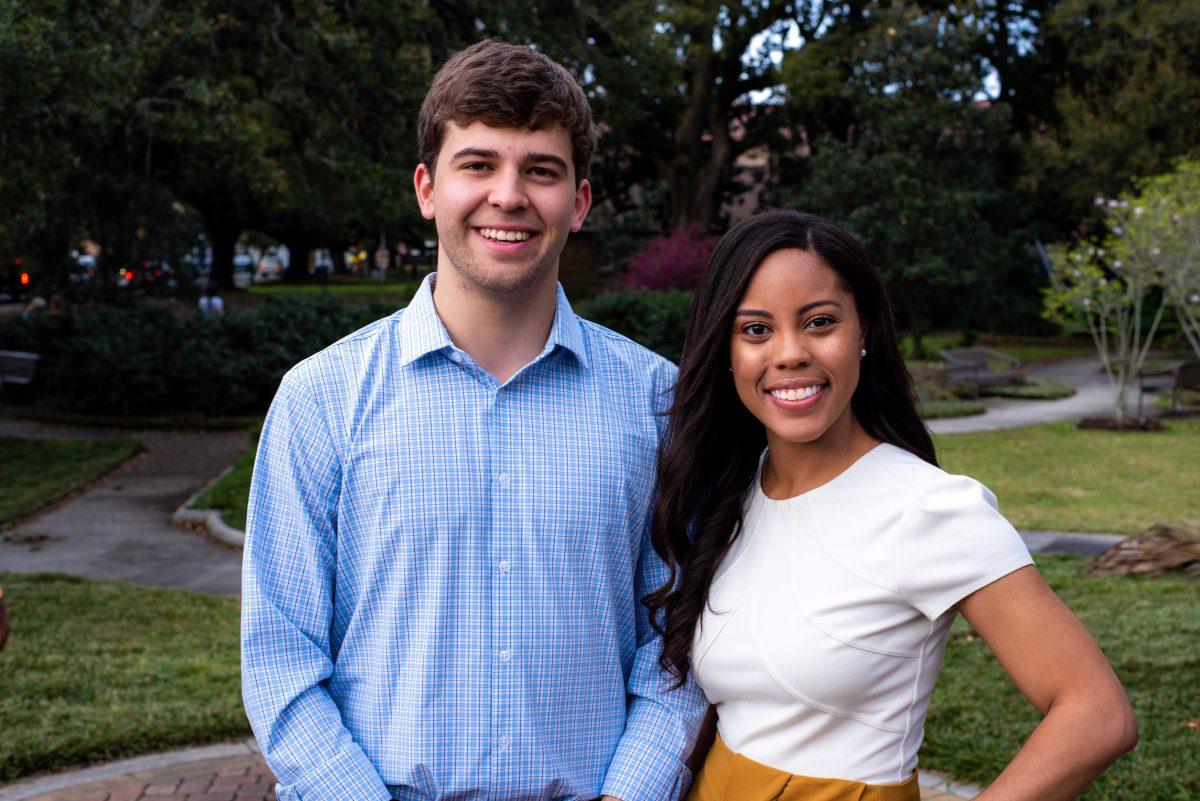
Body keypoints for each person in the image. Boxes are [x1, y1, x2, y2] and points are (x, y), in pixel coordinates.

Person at [241, 40, 707, 801]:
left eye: (541, 170)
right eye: (479, 164)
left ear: (580, 201)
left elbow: (678, 643)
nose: (509, 194)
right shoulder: (319, 399)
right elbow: (280, 658)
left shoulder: (657, 402)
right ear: (427, 187)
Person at [646, 210, 1138, 801]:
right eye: (756, 330)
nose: (790, 353)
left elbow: (1097, 714)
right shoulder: (733, 492)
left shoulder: (929, 510)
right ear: (725, 351)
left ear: (864, 332)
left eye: (820, 322)